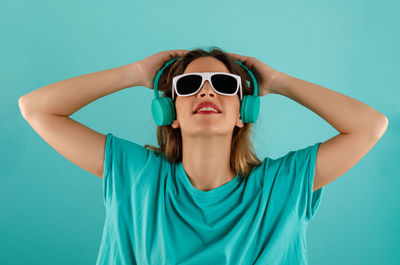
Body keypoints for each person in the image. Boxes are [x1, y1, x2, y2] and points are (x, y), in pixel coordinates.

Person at [18, 47, 388, 265]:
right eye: (190, 85)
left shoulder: (283, 185)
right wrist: (134, 73)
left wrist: (277, 82)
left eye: (225, 85)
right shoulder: (135, 176)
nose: (207, 93)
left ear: (245, 113)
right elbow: (35, 108)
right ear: (169, 113)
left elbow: (370, 126)